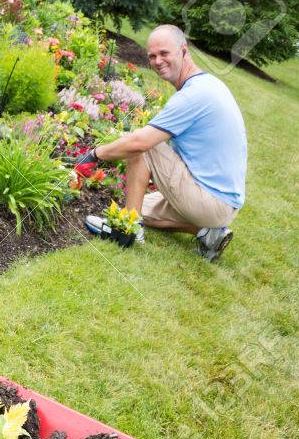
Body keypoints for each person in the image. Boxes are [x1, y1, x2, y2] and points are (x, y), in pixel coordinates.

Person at [78, 25, 247, 262]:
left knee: (142, 142)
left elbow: (140, 143)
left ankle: (128, 230)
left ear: (183, 51)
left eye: (164, 53)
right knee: (133, 207)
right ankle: (208, 233)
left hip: (210, 201)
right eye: (152, 56)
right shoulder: (208, 84)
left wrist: (94, 155)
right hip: (222, 204)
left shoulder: (193, 95)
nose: (157, 61)